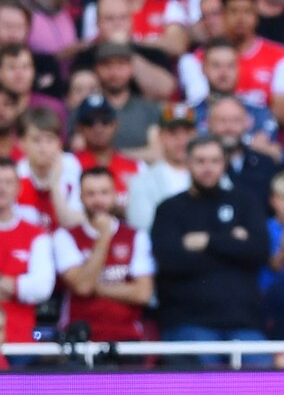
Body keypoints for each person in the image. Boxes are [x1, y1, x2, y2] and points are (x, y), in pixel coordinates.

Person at [151, 134, 270, 366]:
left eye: (215, 161)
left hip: (243, 322)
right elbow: (169, 260)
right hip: (188, 321)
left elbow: (259, 251)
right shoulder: (169, 209)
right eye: (201, 161)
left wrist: (207, 241)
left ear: (224, 164)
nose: (208, 168)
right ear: (188, 163)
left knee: (262, 379)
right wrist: (233, 244)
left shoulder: (245, 202)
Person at [54, 167, 155, 342]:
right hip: (79, 337)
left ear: (115, 195)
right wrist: (104, 237)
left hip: (127, 336)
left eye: (104, 193)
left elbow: (143, 293)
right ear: (80, 197)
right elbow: (83, 287)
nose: (98, 200)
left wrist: (94, 286)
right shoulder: (64, 237)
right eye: (91, 194)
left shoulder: (136, 236)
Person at [0, 158, 54, 344]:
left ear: (19, 188)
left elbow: (41, 287)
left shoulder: (36, 235)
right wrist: (18, 287)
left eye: (8, 182)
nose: (2, 188)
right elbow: (31, 286)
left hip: (20, 342)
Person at [126, 103, 196, 232]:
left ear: (195, 135)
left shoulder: (212, 176)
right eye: (173, 133)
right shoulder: (141, 182)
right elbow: (141, 226)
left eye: (187, 133)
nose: (182, 141)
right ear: (161, 136)